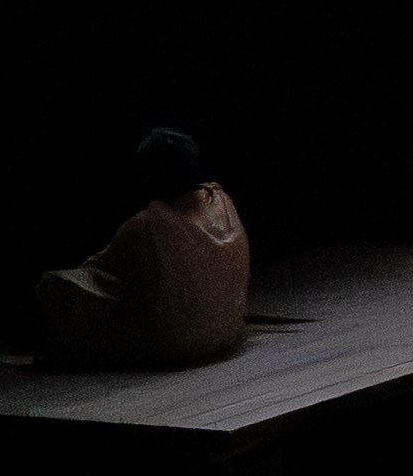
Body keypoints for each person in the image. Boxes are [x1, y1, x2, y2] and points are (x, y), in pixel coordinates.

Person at [24, 122, 250, 370]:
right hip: (229, 332)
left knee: (55, 284)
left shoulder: (147, 225)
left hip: (179, 345)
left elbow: (100, 268)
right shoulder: (220, 201)